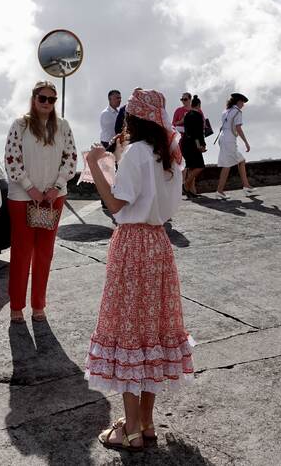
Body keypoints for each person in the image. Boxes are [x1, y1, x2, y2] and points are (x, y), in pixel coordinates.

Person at [84, 89, 194, 452]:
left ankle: (130, 429)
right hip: (159, 243)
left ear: (133, 119)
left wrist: (96, 163)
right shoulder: (170, 156)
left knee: (129, 331)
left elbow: (116, 202)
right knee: (151, 333)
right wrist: (117, 157)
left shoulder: (136, 154)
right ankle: (145, 422)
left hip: (132, 244)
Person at [3, 81, 77, 324]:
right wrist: (30, 188)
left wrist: (56, 187)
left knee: (45, 253)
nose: (47, 103)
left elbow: (70, 157)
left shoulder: (63, 126)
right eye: (42, 98)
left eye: (51, 99)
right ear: (33, 99)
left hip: (53, 197)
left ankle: (38, 305)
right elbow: (12, 159)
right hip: (23, 197)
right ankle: (16, 307)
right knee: (22, 253)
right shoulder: (20, 125)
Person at [215, 93, 255, 198]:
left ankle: (246, 185)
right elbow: (238, 128)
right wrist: (246, 142)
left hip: (223, 138)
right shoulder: (237, 112)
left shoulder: (225, 111)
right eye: (242, 102)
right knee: (227, 166)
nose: (243, 105)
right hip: (229, 140)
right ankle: (219, 191)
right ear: (238, 101)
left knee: (241, 161)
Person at [180, 96, 206, 197]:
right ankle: (186, 185)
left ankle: (190, 191)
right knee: (199, 166)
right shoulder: (198, 115)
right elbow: (198, 133)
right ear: (199, 105)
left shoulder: (187, 115)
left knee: (192, 166)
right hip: (193, 144)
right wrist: (201, 146)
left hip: (185, 143)